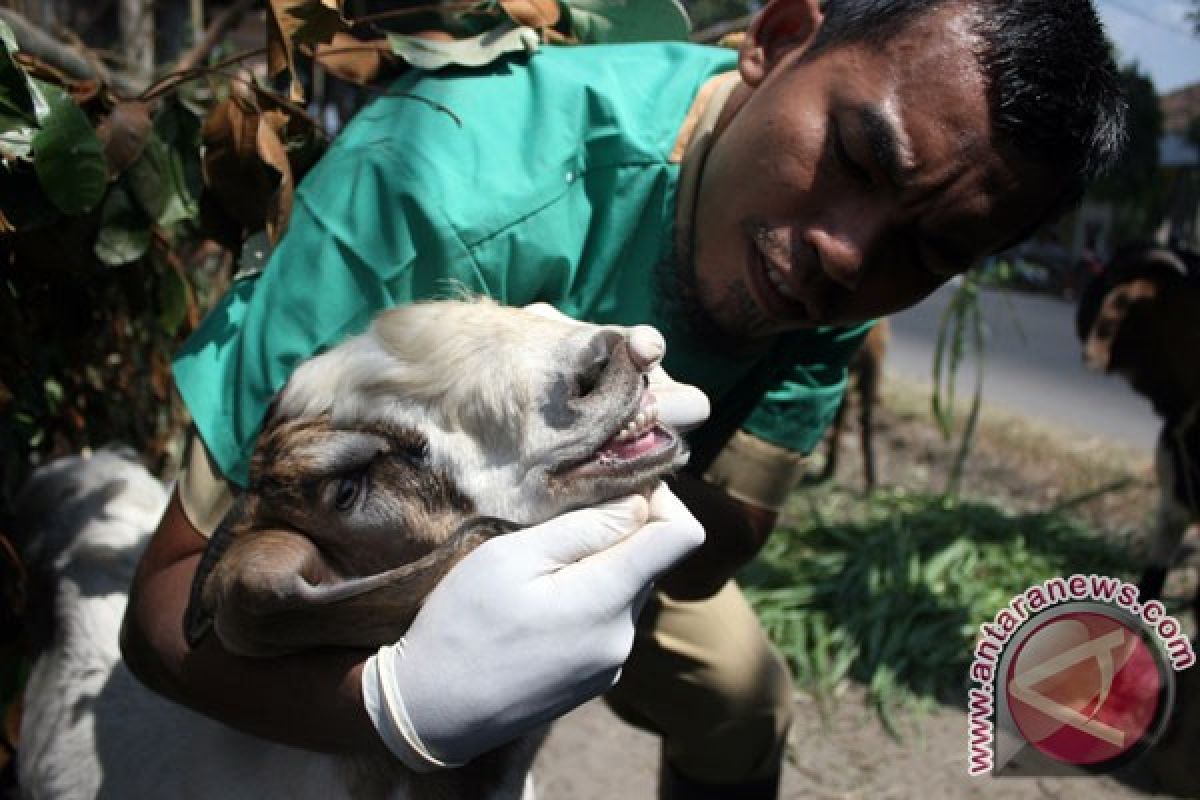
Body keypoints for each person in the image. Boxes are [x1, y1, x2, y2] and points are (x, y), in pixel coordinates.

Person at [120, 0, 1126, 796]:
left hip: (613, 556)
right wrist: (396, 704)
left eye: (932, 250)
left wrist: (609, 475)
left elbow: (709, 555)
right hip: (371, 560)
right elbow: (167, 610)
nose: (846, 254)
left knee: (743, 699)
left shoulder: (848, 272)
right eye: (858, 156)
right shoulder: (429, 183)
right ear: (778, 38)